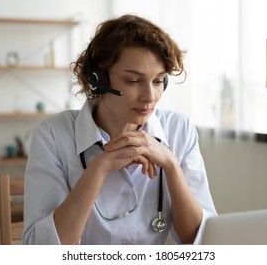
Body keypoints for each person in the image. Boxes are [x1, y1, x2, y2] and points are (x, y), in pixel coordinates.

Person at [22, 14, 217, 245]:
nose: (150, 97)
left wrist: (172, 165)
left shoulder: (179, 129)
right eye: (133, 81)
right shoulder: (52, 135)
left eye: (158, 81)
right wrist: (99, 168)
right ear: (98, 80)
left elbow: (203, 242)